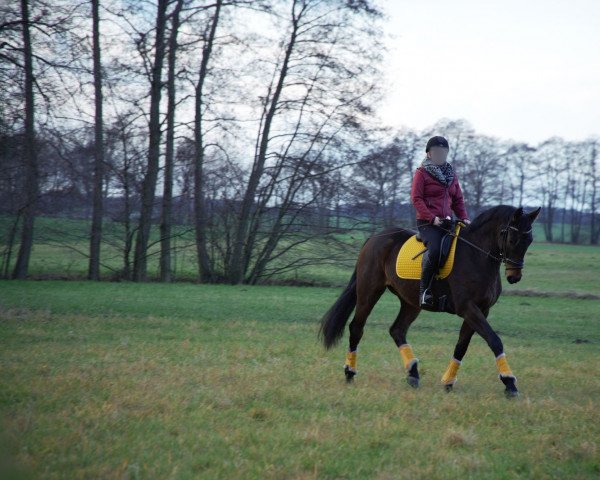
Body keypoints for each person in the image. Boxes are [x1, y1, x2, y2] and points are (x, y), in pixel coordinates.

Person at [410, 136, 471, 307]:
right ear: (429, 154)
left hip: (448, 222)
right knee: (436, 250)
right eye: (437, 152)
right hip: (427, 223)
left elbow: (458, 199)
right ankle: (424, 291)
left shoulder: (452, 175)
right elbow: (416, 198)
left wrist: (464, 217)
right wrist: (432, 218)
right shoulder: (421, 173)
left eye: (444, 152)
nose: (440, 154)